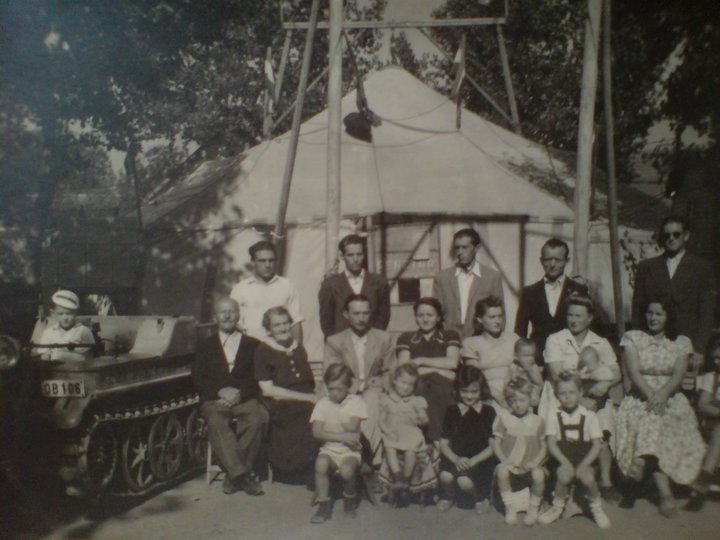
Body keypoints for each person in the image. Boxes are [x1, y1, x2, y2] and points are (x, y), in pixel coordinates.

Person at [612, 297, 706, 517]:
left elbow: (678, 374)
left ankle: (640, 461)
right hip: (640, 396)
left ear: (668, 317)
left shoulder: (681, 342)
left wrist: (662, 395)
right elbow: (634, 373)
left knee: (661, 419)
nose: (653, 318)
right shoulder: (634, 338)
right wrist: (652, 397)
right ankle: (665, 495)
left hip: (671, 396)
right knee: (651, 418)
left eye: (659, 314)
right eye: (650, 313)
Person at [540, 294, 620, 499]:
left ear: (590, 317)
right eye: (570, 315)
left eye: (578, 315)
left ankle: (606, 481)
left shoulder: (600, 342)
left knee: (602, 429)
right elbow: (557, 375)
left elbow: (616, 373)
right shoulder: (556, 340)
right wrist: (583, 396)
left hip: (595, 397)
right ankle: (563, 480)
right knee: (560, 426)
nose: (573, 320)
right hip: (562, 395)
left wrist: (604, 385)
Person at [192, 297, 268, 496]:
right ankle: (243, 475)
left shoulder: (253, 344)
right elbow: (198, 377)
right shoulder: (205, 346)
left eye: (231, 311)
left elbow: (257, 376)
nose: (227, 316)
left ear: (238, 315)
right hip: (215, 399)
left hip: (244, 397)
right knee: (216, 421)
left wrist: (240, 393)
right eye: (222, 312)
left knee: (257, 418)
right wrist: (219, 391)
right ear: (215, 317)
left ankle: (234, 476)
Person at [324, 294, 396, 465]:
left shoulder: (383, 338)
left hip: (377, 391)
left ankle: (363, 456)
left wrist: (381, 383)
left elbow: (391, 371)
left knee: (372, 400)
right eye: (356, 313)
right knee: (365, 402)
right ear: (346, 314)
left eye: (365, 313)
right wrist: (362, 385)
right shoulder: (335, 341)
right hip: (346, 391)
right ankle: (370, 458)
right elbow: (334, 375)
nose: (361, 318)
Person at [632, 216, 717, 357]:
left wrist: (699, 349)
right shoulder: (646, 267)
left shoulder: (702, 268)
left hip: (688, 345)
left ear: (686, 236)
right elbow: (638, 311)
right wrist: (639, 345)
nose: (671, 238)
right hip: (654, 345)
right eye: (667, 235)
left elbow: (706, 313)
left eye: (676, 234)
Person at [538, 372, 611, 529]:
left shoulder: (589, 416)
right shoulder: (553, 415)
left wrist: (584, 464)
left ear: (580, 392)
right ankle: (557, 507)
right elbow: (551, 443)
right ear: (556, 395)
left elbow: (596, 446)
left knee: (588, 478)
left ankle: (596, 507)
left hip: (585, 459)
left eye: (571, 392)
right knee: (563, 475)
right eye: (563, 393)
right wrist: (564, 463)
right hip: (562, 459)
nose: (567, 397)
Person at [254, 307, 317, 479]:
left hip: (307, 397)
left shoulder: (298, 348)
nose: (283, 328)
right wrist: (308, 398)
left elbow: (309, 381)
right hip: (279, 401)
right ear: (268, 330)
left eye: (286, 323)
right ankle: (299, 467)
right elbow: (268, 390)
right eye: (277, 325)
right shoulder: (263, 351)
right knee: (306, 413)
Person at [396, 297, 461, 442]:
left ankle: (436, 441)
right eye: (420, 315)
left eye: (430, 315)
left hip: (444, 385)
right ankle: (438, 441)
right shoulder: (406, 338)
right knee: (429, 390)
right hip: (418, 384)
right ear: (415, 317)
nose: (425, 320)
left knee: (439, 390)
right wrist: (437, 371)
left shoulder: (450, 335)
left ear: (438, 317)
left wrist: (420, 361)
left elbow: (452, 363)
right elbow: (404, 368)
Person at [309, 364, 368, 524]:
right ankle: (324, 505)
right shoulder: (322, 404)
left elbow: (353, 430)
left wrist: (339, 415)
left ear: (348, 387)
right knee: (321, 463)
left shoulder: (355, 402)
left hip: (350, 452)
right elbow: (317, 432)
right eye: (331, 389)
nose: (334, 393)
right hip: (329, 450)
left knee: (347, 470)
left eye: (339, 389)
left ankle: (349, 499)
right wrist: (342, 437)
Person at [514, 238, 588, 361]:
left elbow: (588, 326)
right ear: (541, 261)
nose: (552, 265)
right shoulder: (529, 292)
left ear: (566, 261)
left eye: (558, 260)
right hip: (538, 358)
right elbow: (520, 330)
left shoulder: (579, 290)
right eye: (548, 259)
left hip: (570, 356)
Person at [437, 365, 497, 514]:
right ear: (457, 390)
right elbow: (444, 443)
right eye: (464, 391)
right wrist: (456, 459)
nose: (469, 396)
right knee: (445, 476)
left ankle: (480, 498)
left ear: (481, 390)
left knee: (464, 481)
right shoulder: (452, 411)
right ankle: (449, 496)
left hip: (479, 460)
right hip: (457, 457)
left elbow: (493, 446)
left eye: (474, 392)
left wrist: (474, 460)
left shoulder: (488, 412)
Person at [378, 363, 436, 506]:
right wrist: (387, 431)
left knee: (411, 450)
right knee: (389, 447)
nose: (406, 387)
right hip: (394, 432)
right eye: (403, 382)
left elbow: (425, 419)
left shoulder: (416, 401)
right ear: (394, 381)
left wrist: (420, 419)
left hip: (411, 432)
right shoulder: (387, 400)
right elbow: (381, 420)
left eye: (411, 384)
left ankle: (406, 479)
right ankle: (397, 475)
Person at [492, 378, 547, 526]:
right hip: (511, 462)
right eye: (513, 400)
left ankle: (533, 508)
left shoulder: (538, 421)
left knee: (538, 474)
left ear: (530, 398)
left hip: (531, 463)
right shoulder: (504, 419)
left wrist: (536, 462)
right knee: (502, 471)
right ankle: (509, 506)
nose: (518, 404)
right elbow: (496, 444)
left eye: (522, 400)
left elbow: (544, 446)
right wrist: (504, 459)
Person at [433, 228, 504, 337]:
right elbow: (435, 313)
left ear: (476, 248)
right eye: (457, 248)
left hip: (480, 340)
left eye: (465, 247)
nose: (460, 252)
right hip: (449, 340)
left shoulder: (492, 277)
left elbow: (500, 315)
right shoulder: (442, 278)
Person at [318, 234, 390, 339]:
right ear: (342, 256)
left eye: (359, 254)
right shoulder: (330, 285)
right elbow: (326, 322)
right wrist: (337, 343)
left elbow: (383, 318)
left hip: (371, 342)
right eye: (350, 255)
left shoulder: (379, 282)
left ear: (364, 255)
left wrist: (373, 340)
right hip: (342, 344)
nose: (355, 259)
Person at [231, 241, 304, 344]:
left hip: (281, 347)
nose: (267, 265)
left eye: (271, 260)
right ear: (253, 262)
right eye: (262, 261)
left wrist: (298, 350)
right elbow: (235, 325)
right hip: (251, 347)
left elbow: (296, 322)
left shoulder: (287, 285)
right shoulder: (240, 288)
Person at [460, 296, 520, 409]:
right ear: (480, 319)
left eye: (500, 316)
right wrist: (500, 398)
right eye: (492, 317)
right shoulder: (471, 343)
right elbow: (474, 377)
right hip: (487, 394)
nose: (497, 321)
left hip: (515, 392)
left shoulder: (513, 339)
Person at [686, 335, 720, 511]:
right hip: (713, 423)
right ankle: (705, 478)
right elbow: (703, 405)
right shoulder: (711, 377)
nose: (717, 362)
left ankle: (703, 481)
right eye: (715, 358)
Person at [34, 290, 94, 362]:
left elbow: (89, 357)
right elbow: (45, 358)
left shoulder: (83, 331)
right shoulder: (49, 333)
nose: (65, 318)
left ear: (76, 313)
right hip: (55, 368)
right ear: (53, 313)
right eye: (60, 314)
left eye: (69, 313)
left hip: (79, 368)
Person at [504, 338, 543, 408]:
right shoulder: (513, 366)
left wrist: (529, 371)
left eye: (532, 355)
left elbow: (539, 383)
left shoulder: (533, 367)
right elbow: (507, 380)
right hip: (515, 393)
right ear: (516, 356)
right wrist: (507, 388)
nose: (530, 358)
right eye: (526, 356)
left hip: (530, 394)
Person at [577, 346, 616, 412]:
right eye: (583, 364)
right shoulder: (584, 371)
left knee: (603, 409)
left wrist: (590, 376)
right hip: (588, 395)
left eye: (588, 364)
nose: (585, 367)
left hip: (601, 397)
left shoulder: (602, 369)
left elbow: (610, 376)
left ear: (598, 362)